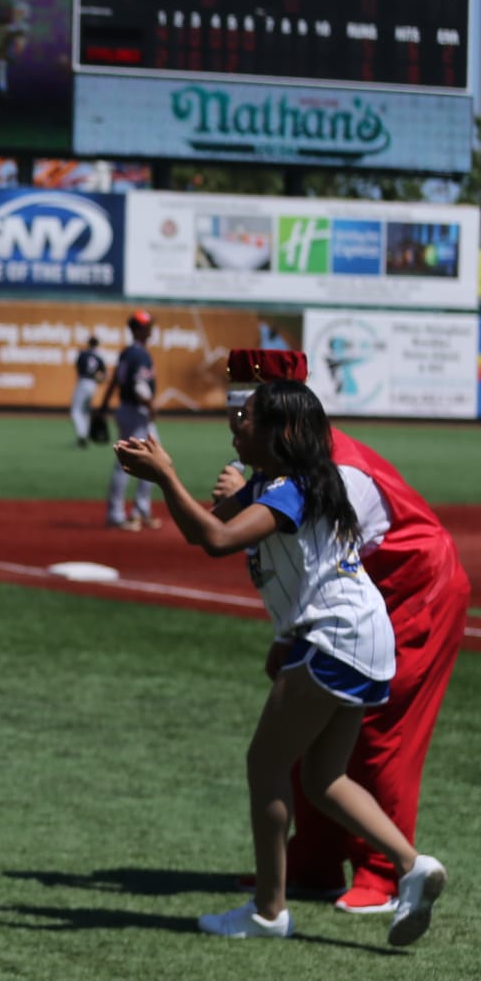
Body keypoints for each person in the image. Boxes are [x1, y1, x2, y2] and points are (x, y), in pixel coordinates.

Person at [113, 369, 447, 944]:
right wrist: (214, 489)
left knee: (264, 765)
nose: (235, 423)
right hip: (364, 636)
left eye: (248, 417)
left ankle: (269, 911)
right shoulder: (291, 480)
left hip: (334, 635)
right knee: (322, 778)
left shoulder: (289, 488)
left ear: (283, 431)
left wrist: (166, 476)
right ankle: (413, 866)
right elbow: (209, 526)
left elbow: (216, 542)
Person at [208, 361, 471, 916]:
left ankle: (384, 873)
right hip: (353, 598)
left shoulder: (333, 471)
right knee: (310, 734)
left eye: (247, 411)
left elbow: (321, 555)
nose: (236, 422)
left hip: (411, 589)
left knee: (381, 735)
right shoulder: (287, 464)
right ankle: (314, 861)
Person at [101, 310, 158, 530]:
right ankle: (116, 514)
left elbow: (115, 380)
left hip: (131, 410)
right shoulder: (138, 354)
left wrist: (103, 407)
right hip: (136, 412)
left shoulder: (128, 352)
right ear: (137, 329)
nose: (150, 329)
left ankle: (140, 511)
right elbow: (137, 386)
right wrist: (150, 404)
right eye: (146, 326)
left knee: (152, 458)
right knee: (126, 461)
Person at [70, 334, 107, 448]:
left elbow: (78, 368)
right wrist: (98, 379)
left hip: (83, 381)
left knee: (76, 410)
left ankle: (82, 435)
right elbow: (103, 375)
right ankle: (85, 435)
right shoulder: (99, 357)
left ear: (89, 343)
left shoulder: (83, 354)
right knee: (85, 411)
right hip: (93, 384)